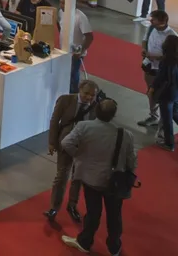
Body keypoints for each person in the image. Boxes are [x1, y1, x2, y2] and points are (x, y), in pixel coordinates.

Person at [61, 99, 136, 255]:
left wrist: (79, 157)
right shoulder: (125, 134)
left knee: (93, 212)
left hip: (91, 179)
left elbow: (66, 143)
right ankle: (114, 247)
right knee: (115, 216)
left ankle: (85, 242)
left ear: (96, 111)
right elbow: (132, 160)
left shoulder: (84, 127)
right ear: (114, 114)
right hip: (115, 181)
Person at [46, 79, 101, 225]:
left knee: (78, 178)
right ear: (80, 90)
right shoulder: (65, 100)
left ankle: (72, 205)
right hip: (66, 144)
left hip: (84, 148)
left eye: (93, 95)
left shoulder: (96, 107)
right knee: (61, 176)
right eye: (86, 94)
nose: (89, 97)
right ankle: (54, 207)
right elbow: (54, 121)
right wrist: (52, 142)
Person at [149, 34, 178, 150]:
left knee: (167, 119)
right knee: (174, 112)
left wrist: (152, 88)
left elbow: (160, 77)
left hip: (168, 93)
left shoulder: (166, 61)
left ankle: (169, 143)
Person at [138, 9, 177, 127]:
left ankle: (163, 119)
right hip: (149, 66)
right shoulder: (151, 28)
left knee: (162, 94)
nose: (150, 21)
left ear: (161, 22)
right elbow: (145, 40)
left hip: (162, 70)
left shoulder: (172, 36)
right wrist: (144, 49)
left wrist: (156, 57)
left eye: (153, 19)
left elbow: (174, 55)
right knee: (150, 92)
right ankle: (153, 116)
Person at [62, 0, 95, 93]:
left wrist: (80, 52)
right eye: (60, 2)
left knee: (73, 75)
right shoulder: (61, 12)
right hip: (64, 51)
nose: (61, 5)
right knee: (65, 74)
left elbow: (90, 36)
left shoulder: (80, 17)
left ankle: (74, 94)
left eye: (64, 3)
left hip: (75, 53)